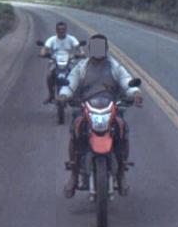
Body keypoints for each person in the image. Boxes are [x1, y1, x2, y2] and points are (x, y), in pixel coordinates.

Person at [60, 32, 141, 192]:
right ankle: (74, 174)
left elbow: (126, 81)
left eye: (101, 46)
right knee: (76, 128)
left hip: (111, 107)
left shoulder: (115, 66)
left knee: (122, 127)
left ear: (106, 48)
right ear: (90, 49)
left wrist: (135, 93)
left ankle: (121, 173)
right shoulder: (81, 67)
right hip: (86, 107)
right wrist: (64, 95)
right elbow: (70, 83)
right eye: (95, 46)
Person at [39, 19, 82, 101]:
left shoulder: (71, 39)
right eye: (59, 29)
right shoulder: (51, 39)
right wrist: (43, 53)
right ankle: (51, 95)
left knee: (78, 75)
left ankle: (76, 95)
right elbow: (45, 48)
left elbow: (79, 48)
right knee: (49, 75)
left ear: (66, 30)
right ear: (56, 30)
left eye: (63, 29)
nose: (61, 31)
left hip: (69, 61)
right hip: (54, 62)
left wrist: (80, 53)